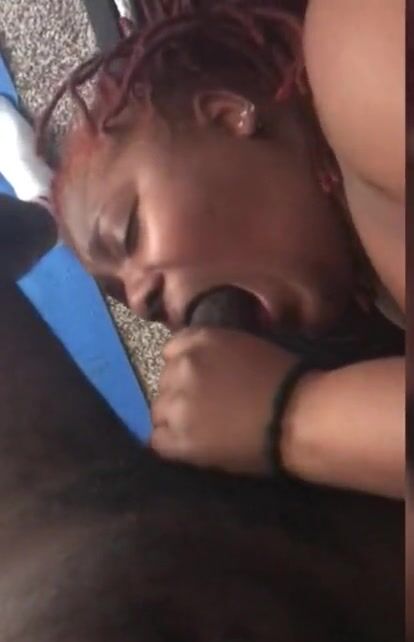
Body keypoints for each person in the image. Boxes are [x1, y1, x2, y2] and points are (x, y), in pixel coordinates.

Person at [35, 0, 404, 498]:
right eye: (122, 296)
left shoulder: (365, 60)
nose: (142, 299)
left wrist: (293, 417)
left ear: (227, 115)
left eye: (128, 233)